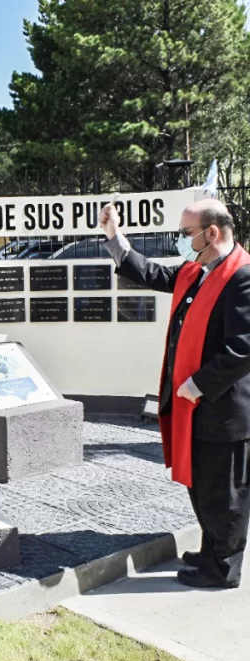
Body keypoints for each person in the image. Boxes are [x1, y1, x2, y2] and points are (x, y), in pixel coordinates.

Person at [99, 198, 250, 589]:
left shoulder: (241, 277)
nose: (181, 241)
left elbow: (244, 349)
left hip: (223, 410)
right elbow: (151, 273)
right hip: (197, 407)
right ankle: (212, 550)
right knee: (202, 486)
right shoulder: (198, 270)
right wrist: (115, 237)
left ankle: (222, 570)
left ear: (211, 233)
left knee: (224, 494)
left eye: (186, 234)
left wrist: (198, 383)